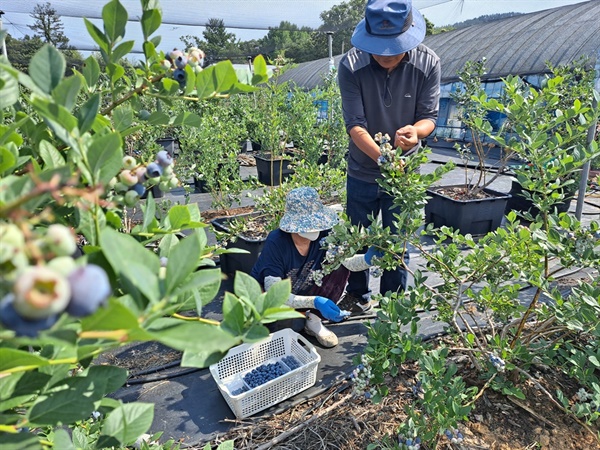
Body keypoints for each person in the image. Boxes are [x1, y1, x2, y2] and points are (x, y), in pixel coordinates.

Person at [337, 0, 441, 311]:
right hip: (362, 171)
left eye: (394, 47)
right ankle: (358, 294)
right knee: (359, 239)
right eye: (379, 47)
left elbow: (430, 116)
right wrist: (385, 159)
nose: (386, 54)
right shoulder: (351, 65)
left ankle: (393, 302)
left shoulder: (428, 63)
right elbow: (355, 126)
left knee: (398, 243)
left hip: (405, 175)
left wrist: (416, 132)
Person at [251, 187, 381, 348]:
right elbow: (275, 294)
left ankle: (314, 321)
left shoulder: (325, 234)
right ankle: (296, 318)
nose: (315, 230)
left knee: (338, 265)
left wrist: (369, 259)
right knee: (284, 332)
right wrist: (316, 301)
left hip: (304, 285)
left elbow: (347, 262)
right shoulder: (276, 243)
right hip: (270, 298)